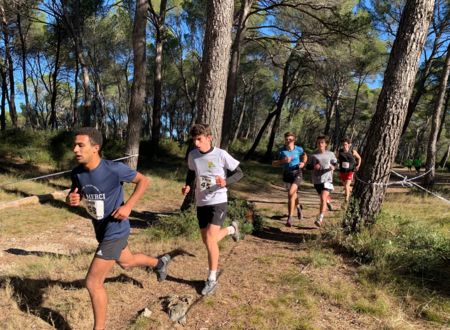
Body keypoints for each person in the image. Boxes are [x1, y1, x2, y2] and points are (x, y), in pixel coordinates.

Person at [66, 127, 171, 330]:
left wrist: (128, 206)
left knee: (93, 283)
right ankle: (160, 263)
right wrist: (72, 199)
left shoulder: (113, 169)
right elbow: (74, 193)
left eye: (81, 145)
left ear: (95, 148)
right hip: (101, 230)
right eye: (74, 145)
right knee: (128, 262)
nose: (75, 149)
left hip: (116, 229)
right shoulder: (77, 173)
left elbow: (143, 180)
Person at [181, 123, 243, 296]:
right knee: (209, 239)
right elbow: (192, 172)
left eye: (199, 139)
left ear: (209, 137)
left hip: (218, 200)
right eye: (194, 140)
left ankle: (211, 279)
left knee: (210, 239)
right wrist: (187, 186)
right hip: (201, 202)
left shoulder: (221, 154)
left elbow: (239, 173)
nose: (196, 144)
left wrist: (226, 182)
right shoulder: (193, 155)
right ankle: (232, 229)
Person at [272, 132, 307, 227]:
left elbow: (305, 156)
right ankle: (298, 207)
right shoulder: (281, 151)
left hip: (297, 173)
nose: (288, 141)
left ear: (294, 140)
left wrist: (303, 163)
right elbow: (273, 163)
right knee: (293, 195)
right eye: (286, 139)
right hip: (287, 174)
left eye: (290, 139)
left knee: (291, 193)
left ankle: (290, 218)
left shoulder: (299, 149)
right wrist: (282, 161)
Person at [308, 135, 337, 227]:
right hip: (317, 180)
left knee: (322, 198)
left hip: (327, 179)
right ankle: (328, 202)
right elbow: (308, 167)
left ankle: (320, 218)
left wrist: (333, 167)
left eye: (322, 142)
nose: (320, 144)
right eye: (318, 142)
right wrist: (313, 167)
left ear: (326, 144)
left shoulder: (330, 154)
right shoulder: (313, 155)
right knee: (323, 198)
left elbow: (335, 163)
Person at [336, 138, 362, 204]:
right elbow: (335, 159)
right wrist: (336, 164)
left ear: (349, 145)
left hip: (350, 171)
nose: (344, 146)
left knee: (347, 185)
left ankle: (346, 200)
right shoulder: (340, 152)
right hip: (342, 171)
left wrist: (358, 165)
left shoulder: (353, 152)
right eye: (343, 144)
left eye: (346, 144)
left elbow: (359, 158)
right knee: (346, 186)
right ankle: (353, 192)